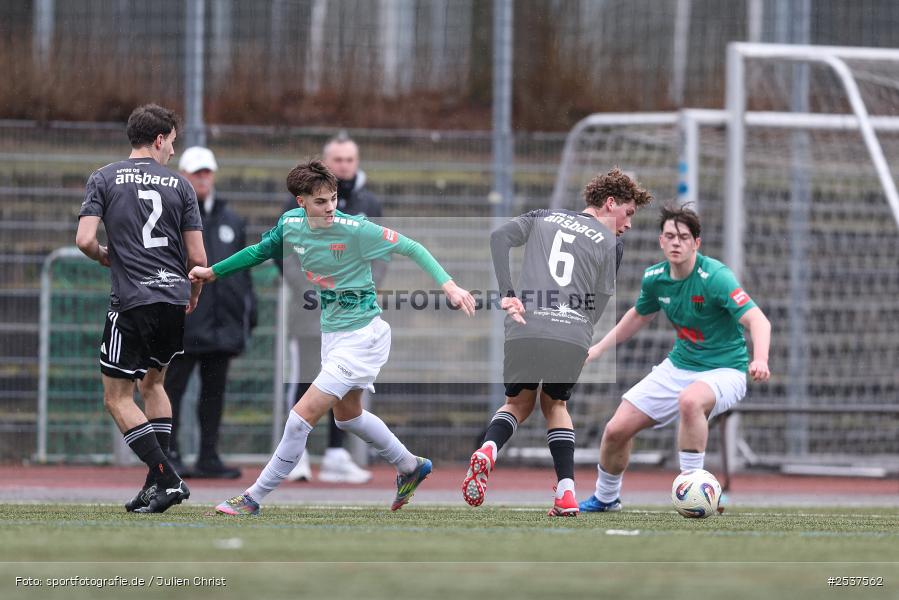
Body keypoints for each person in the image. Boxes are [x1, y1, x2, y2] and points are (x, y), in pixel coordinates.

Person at [188, 160, 476, 515]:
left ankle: (252, 498)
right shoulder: (290, 225)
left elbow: (412, 247)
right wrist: (213, 272)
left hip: (362, 336)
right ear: (301, 202)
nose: (330, 208)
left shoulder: (355, 229)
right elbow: (259, 252)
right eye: (321, 201)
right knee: (348, 417)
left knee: (299, 418)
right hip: (334, 335)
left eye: (334, 199)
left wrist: (449, 286)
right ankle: (410, 466)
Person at [462, 168, 653, 516]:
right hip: (571, 333)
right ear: (610, 203)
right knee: (556, 407)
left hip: (526, 324)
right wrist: (580, 336)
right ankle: (566, 493)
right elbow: (599, 301)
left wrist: (508, 294)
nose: (628, 224)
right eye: (628, 213)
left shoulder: (542, 217)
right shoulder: (612, 244)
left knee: (517, 405)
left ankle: (489, 448)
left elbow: (498, 238)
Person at [578, 204, 771, 513]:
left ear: (696, 243)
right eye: (670, 236)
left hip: (726, 370)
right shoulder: (655, 277)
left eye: (683, 237)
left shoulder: (715, 277)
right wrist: (599, 348)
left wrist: (760, 359)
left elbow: (759, 321)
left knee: (690, 400)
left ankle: (693, 489)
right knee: (616, 430)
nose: (676, 242)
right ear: (660, 241)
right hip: (679, 366)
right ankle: (605, 498)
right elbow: (638, 316)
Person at [75, 104, 205, 513]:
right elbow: (197, 256)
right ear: (160, 138)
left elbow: (83, 240)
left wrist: (102, 256)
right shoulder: (181, 185)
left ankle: (167, 476)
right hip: (171, 298)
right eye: (173, 144)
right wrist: (192, 291)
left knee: (117, 398)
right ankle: (156, 486)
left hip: (131, 301)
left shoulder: (104, 177)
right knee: (153, 386)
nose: (173, 153)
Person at [280, 134, 383, 484]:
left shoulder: (368, 204)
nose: (344, 166)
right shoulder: (301, 205)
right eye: (337, 160)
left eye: (349, 160)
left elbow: (380, 254)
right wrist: (315, 289)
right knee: (308, 376)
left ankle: (338, 454)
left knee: (346, 381)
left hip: (353, 312)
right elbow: (288, 257)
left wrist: (360, 289)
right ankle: (299, 455)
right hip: (312, 310)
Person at [162, 146, 255, 479]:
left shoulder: (231, 218)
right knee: (171, 390)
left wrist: (248, 312)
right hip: (185, 322)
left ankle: (208, 456)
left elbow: (243, 272)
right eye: (196, 172)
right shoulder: (173, 215)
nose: (203, 178)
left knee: (214, 396)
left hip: (222, 325)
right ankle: (167, 455)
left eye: (207, 172)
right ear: (183, 176)